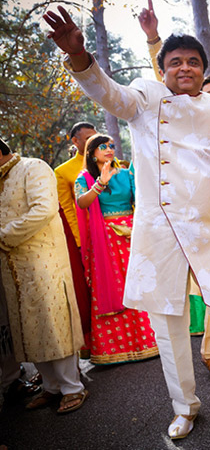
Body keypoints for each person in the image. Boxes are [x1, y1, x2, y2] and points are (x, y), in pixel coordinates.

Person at [44, 6, 210, 439]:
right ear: (162, 69)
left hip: (209, 228)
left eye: (194, 61)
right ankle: (184, 407)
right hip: (158, 231)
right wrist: (81, 58)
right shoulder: (146, 96)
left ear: (203, 68)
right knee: (167, 323)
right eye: (176, 62)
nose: (185, 67)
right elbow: (110, 96)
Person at [138, 0, 210, 382]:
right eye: (176, 63)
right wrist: (154, 40)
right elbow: (165, 85)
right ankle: (201, 371)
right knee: (185, 306)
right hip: (169, 227)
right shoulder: (159, 108)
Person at [0, 137, 88, 414]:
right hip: (10, 266)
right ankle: (51, 388)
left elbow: (44, 209)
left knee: (53, 322)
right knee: (27, 327)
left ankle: (72, 387)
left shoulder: (33, 167)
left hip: (43, 260)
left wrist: (3, 235)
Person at [74, 134, 159, 364]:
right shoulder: (85, 178)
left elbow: (140, 200)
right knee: (115, 287)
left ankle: (149, 341)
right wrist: (100, 183)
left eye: (111, 145)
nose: (109, 149)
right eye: (103, 147)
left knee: (139, 283)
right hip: (105, 241)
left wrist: (136, 227)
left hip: (133, 234)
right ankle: (112, 348)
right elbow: (82, 203)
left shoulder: (125, 174)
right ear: (92, 153)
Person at [54, 121, 97, 355]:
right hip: (86, 238)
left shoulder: (109, 162)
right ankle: (92, 341)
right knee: (89, 288)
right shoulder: (63, 172)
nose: (93, 141)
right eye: (88, 137)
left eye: (96, 136)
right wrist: (80, 241)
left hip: (114, 233)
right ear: (75, 141)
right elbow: (68, 209)